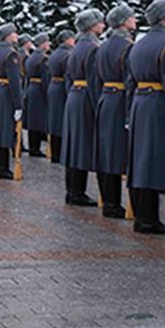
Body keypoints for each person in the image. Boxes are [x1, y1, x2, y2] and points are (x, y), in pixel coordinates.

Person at [126, 0, 165, 234]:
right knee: (154, 160)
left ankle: (142, 214)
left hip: (140, 105)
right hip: (158, 106)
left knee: (141, 160)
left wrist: (129, 112)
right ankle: (149, 218)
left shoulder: (138, 44)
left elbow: (130, 82)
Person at [95, 4, 136, 219]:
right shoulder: (128, 47)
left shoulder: (102, 46)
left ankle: (108, 200)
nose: (135, 20)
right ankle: (115, 204)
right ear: (123, 22)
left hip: (105, 99)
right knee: (121, 152)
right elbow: (131, 80)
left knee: (106, 151)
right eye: (131, 17)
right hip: (120, 101)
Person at [61, 10, 105, 205]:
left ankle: (72, 189)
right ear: (91, 26)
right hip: (86, 96)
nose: (103, 25)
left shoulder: (77, 47)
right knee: (82, 146)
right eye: (99, 22)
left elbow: (68, 77)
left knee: (74, 144)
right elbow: (95, 80)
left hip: (74, 96)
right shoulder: (93, 48)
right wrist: (98, 107)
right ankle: (77, 192)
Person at [0, 24, 23, 179]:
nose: (16, 35)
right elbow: (15, 82)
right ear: (8, 36)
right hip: (8, 93)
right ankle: (3, 168)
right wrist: (19, 105)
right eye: (14, 33)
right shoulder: (11, 54)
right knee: (5, 131)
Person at [47, 29, 75, 164]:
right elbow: (67, 75)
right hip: (62, 88)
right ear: (67, 40)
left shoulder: (53, 54)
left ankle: (54, 152)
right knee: (61, 122)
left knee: (54, 121)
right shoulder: (67, 55)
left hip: (53, 86)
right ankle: (59, 154)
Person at [23, 32, 50, 157]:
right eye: (47, 42)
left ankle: (32, 146)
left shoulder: (31, 57)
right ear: (43, 44)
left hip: (31, 88)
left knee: (33, 120)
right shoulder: (43, 58)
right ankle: (35, 148)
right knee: (39, 119)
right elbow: (45, 78)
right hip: (39, 89)